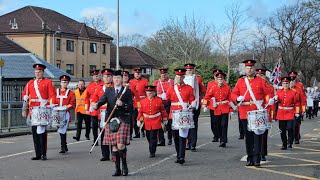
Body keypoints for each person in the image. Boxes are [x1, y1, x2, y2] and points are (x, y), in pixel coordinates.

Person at [231, 60, 273, 167]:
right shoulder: (240, 81)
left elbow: (269, 92)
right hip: (245, 112)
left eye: (251, 68)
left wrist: (269, 101)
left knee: (258, 136)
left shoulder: (261, 81)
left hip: (257, 112)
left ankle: (257, 158)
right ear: (245, 69)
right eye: (247, 68)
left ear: (254, 69)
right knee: (248, 137)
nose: (249, 70)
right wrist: (237, 98)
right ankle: (250, 157)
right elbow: (233, 93)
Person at [94, 70, 133, 176]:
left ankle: (124, 165)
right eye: (115, 78)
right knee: (114, 146)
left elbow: (130, 107)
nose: (116, 80)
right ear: (112, 79)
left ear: (122, 79)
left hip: (123, 119)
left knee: (120, 145)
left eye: (119, 78)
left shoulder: (127, 91)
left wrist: (122, 104)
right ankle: (117, 169)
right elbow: (102, 100)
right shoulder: (108, 90)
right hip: (111, 120)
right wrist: (96, 105)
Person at [21, 64, 56, 160]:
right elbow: (25, 95)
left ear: (42, 72)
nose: (37, 73)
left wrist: (50, 105)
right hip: (32, 111)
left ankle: (44, 153)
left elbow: (52, 95)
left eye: (39, 72)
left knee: (42, 133)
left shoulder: (48, 82)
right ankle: (38, 154)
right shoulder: (30, 83)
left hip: (43, 110)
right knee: (35, 133)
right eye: (36, 72)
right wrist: (24, 108)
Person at [166, 68, 196, 164]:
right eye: (178, 76)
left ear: (184, 77)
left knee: (182, 136)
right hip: (174, 114)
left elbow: (192, 99)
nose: (179, 78)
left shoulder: (189, 88)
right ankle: (178, 154)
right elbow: (166, 100)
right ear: (175, 77)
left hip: (184, 114)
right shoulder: (171, 88)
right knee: (175, 136)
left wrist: (193, 103)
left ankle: (181, 156)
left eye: (181, 76)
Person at [137, 86, 168, 158]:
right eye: (148, 92)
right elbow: (140, 112)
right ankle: (152, 147)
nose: (149, 93)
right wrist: (139, 119)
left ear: (154, 92)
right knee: (148, 136)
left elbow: (162, 110)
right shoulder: (142, 101)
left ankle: (152, 151)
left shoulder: (159, 100)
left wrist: (165, 118)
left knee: (153, 137)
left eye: (151, 92)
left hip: (156, 120)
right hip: (146, 121)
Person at [203, 72, 231, 147]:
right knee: (217, 125)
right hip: (216, 108)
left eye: (221, 79)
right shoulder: (213, 88)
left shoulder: (227, 88)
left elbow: (230, 99)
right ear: (216, 80)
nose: (220, 80)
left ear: (223, 79)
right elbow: (207, 97)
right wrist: (205, 105)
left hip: (225, 108)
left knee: (224, 124)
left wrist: (231, 109)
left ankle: (223, 140)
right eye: (219, 79)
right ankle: (219, 136)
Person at [92, 69, 114, 161]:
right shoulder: (99, 88)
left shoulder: (114, 87)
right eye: (105, 76)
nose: (106, 78)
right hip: (102, 113)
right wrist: (94, 105)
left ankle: (114, 154)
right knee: (103, 134)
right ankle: (105, 155)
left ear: (112, 77)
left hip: (113, 113)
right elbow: (94, 100)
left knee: (113, 134)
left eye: (108, 76)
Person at [183, 63, 206, 151]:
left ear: (193, 70)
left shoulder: (198, 79)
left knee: (193, 124)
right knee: (185, 124)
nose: (189, 71)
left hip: (195, 104)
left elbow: (203, 91)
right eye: (187, 70)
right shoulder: (181, 79)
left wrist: (201, 101)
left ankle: (192, 144)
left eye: (190, 70)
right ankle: (187, 142)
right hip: (185, 105)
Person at [255, 68, 275, 161]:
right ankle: (254, 151)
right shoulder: (253, 86)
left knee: (263, 134)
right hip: (254, 112)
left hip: (265, 112)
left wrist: (271, 116)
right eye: (258, 76)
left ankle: (262, 153)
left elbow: (271, 103)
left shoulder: (270, 87)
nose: (259, 78)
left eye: (261, 76)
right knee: (253, 134)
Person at [52, 75, 75, 153]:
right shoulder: (56, 92)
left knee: (63, 129)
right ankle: (64, 145)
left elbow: (72, 103)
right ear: (60, 83)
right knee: (60, 129)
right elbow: (52, 101)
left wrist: (65, 108)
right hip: (57, 113)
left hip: (65, 113)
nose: (64, 83)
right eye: (62, 82)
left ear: (68, 83)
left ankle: (63, 147)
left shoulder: (71, 93)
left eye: (65, 82)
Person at [276, 77, 299, 150]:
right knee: (282, 130)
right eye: (284, 83)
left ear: (289, 84)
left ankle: (290, 141)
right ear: (282, 84)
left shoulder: (293, 92)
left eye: (287, 83)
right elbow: (276, 101)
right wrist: (275, 99)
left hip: (290, 113)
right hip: (281, 113)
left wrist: (297, 112)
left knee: (289, 128)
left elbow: (297, 103)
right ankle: (284, 144)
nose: (285, 85)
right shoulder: (279, 91)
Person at [153, 68, 174, 146]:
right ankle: (161, 140)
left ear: (167, 74)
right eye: (162, 74)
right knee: (159, 122)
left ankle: (170, 138)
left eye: (165, 74)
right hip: (159, 104)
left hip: (169, 104)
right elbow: (153, 92)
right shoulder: (157, 82)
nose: (163, 76)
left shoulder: (171, 82)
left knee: (168, 122)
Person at [85, 70, 104, 146]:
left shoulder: (103, 84)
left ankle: (103, 139)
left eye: (97, 75)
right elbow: (86, 98)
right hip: (93, 109)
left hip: (101, 107)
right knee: (94, 126)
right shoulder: (90, 85)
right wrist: (87, 108)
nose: (95, 77)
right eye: (94, 76)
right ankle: (95, 140)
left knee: (102, 125)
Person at [129, 68, 149, 138]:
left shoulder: (145, 81)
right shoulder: (131, 81)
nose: (137, 75)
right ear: (134, 74)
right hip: (135, 102)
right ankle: (137, 133)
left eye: (139, 73)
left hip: (142, 100)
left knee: (142, 117)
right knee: (134, 118)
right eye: (136, 74)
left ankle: (143, 130)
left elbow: (147, 91)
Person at [289, 72, 306, 144]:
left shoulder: (299, 87)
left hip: (297, 109)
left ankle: (296, 137)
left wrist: (303, 110)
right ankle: (290, 138)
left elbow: (303, 99)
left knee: (296, 124)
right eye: (291, 78)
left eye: (293, 78)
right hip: (288, 109)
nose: (292, 80)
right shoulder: (286, 87)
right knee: (289, 125)